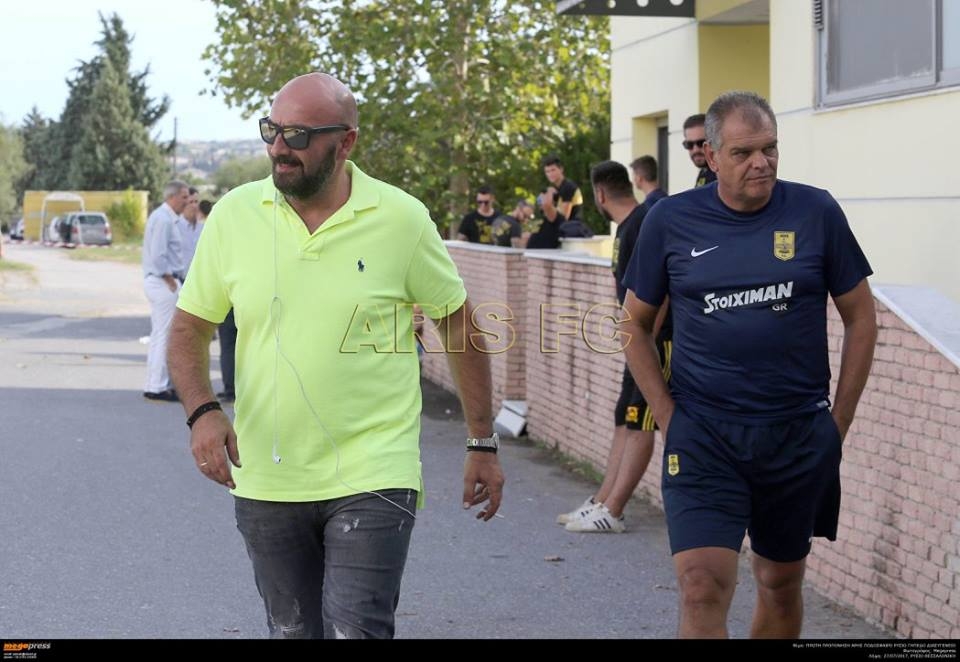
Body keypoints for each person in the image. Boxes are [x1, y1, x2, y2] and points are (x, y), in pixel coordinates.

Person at [167, 72, 505, 640]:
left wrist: (481, 441)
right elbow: (188, 327)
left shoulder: (400, 219)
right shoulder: (234, 215)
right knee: (292, 631)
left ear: (345, 142)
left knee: (357, 631)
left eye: (298, 136)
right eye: (271, 131)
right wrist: (202, 411)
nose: (279, 148)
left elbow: (458, 324)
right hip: (267, 475)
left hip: (376, 469)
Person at [622, 91, 877, 638]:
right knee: (701, 585)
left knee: (780, 584)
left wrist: (837, 425)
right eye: (743, 153)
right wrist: (668, 416)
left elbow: (861, 317)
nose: (761, 162)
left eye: (770, 148)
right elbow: (633, 325)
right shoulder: (671, 220)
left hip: (795, 435)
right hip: (705, 437)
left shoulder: (816, 212)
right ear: (711, 157)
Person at [558, 159, 667, 533]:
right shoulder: (627, 227)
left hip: (651, 344)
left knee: (639, 420)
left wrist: (646, 339)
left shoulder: (643, 224)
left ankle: (614, 511)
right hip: (636, 341)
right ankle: (601, 501)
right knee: (624, 415)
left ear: (599, 194)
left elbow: (663, 291)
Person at [141, 180, 189, 402]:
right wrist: (169, 279)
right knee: (165, 335)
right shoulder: (163, 219)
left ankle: (156, 383)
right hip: (163, 281)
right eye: (184, 197)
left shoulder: (164, 217)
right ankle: (158, 386)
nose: (187, 201)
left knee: (159, 334)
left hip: (161, 281)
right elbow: (158, 254)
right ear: (172, 197)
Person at [542, 154, 583, 221]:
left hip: (572, 226)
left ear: (561, 169)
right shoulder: (555, 189)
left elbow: (564, 218)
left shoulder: (568, 187)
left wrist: (548, 206)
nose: (550, 174)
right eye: (547, 171)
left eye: (553, 170)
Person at [682, 114, 716, 188]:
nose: (695, 150)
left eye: (701, 143)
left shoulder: (723, 174)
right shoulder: (704, 171)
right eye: (689, 144)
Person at [179, 187, 203, 275]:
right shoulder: (174, 227)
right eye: (191, 202)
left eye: (196, 202)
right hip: (178, 279)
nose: (194, 206)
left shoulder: (203, 228)